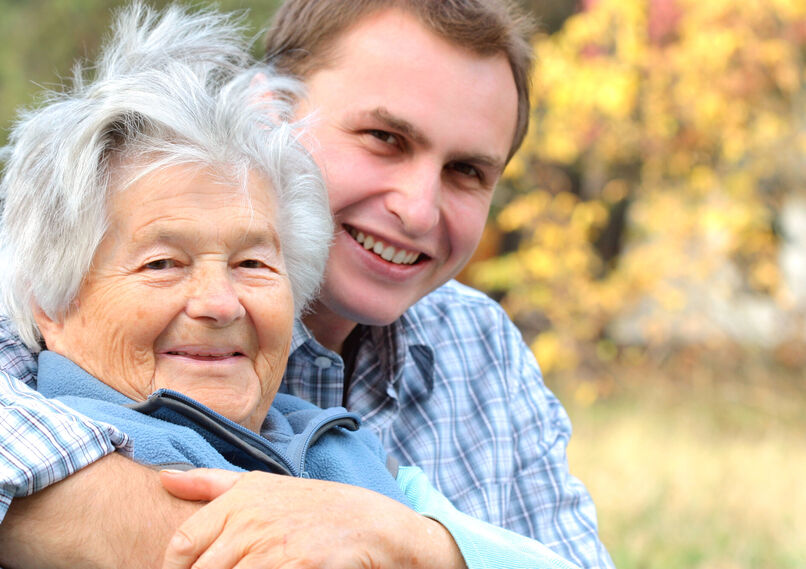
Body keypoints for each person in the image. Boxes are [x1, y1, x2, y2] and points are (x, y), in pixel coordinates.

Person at [0, 1, 614, 568]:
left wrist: (412, 540)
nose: (420, 211)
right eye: (385, 138)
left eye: (467, 171)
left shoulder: (473, 348)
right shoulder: (40, 326)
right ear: (269, 114)